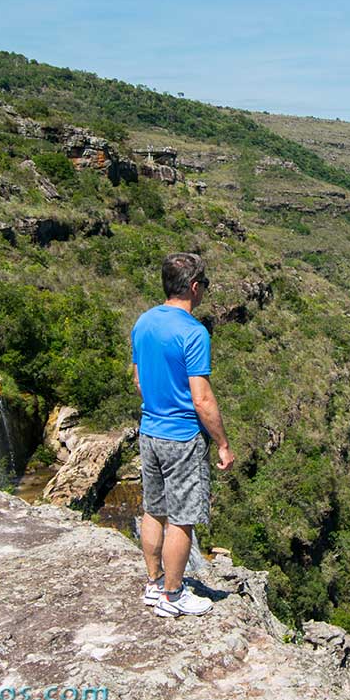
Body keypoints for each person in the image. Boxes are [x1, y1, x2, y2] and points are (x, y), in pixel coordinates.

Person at [131, 252, 235, 617]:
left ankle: (153, 583)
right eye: (204, 285)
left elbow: (139, 380)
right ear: (194, 287)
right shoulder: (193, 332)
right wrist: (222, 443)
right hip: (181, 436)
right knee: (182, 517)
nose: (204, 291)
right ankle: (173, 596)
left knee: (153, 510)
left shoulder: (143, 323)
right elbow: (202, 398)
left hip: (149, 430)